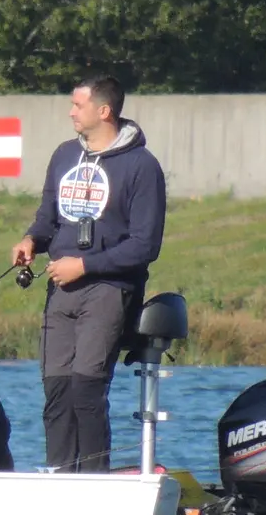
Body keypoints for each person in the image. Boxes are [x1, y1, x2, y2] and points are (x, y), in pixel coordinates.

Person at [10, 75, 166, 473]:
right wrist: (31, 240)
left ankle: (96, 479)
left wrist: (84, 265)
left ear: (103, 111)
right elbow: (48, 217)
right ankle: (60, 476)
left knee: (86, 388)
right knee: (57, 391)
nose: (70, 112)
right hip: (60, 287)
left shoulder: (142, 167)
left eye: (77, 105)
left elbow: (145, 245)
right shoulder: (64, 155)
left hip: (109, 289)